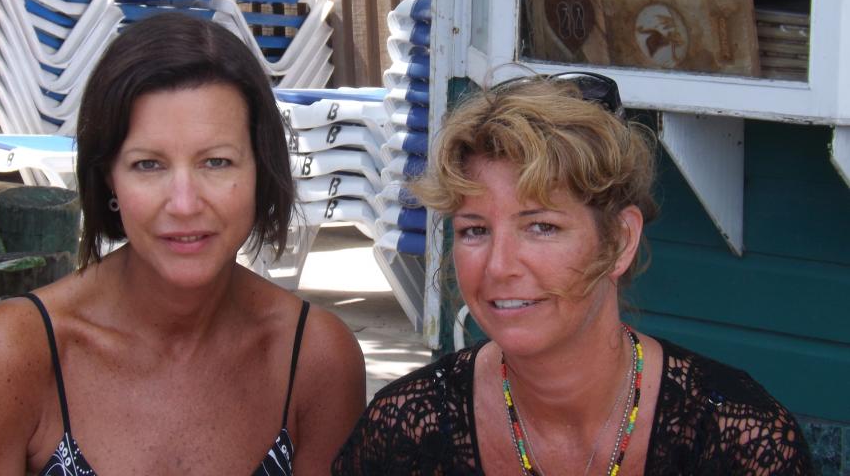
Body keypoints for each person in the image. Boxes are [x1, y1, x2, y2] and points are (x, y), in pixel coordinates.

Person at [0, 12, 366, 475]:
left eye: (216, 162)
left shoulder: (315, 359)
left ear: (260, 170)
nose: (184, 203)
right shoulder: (12, 354)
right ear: (108, 179)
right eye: (148, 165)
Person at [333, 73, 813, 475]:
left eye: (541, 227)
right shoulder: (405, 433)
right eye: (475, 230)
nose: (499, 266)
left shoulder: (735, 440)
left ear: (620, 241)